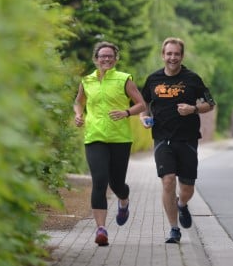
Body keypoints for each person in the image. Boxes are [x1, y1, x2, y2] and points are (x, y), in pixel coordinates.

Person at [140, 37, 216, 244]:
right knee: (167, 181)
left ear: (182, 56)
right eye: (169, 54)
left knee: (187, 188)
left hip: (188, 139)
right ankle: (174, 229)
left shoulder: (192, 79)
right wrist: (143, 117)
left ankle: (182, 204)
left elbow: (210, 103)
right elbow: (142, 102)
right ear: (163, 55)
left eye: (176, 54)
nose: (172, 57)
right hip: (162, 137)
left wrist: (193, 109)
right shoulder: (153, 79)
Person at [73, 41, 146, 246]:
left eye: (110, 56)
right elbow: (78, 101)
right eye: (102, 56)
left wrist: (126, 112)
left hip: (120, 138)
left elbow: (141, 104)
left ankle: (124, 200)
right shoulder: (87, 81)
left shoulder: (124, 79)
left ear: (116, 59)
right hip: (94, 136)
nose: (106, 59)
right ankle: (101, 229)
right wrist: (79, 114)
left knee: (117, 184)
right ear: (96, 59)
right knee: (99, 181)